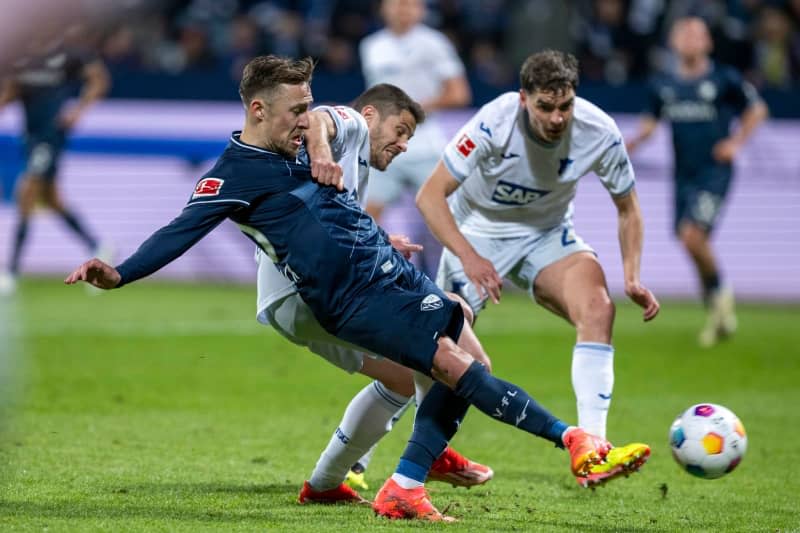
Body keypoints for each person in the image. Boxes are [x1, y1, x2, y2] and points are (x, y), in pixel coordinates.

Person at [65, 55, 650, 521]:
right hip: (323, 297)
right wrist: (119, 275)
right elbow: (180, 230)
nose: (307, 117)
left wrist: (373, 233)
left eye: (309, 107)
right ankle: (554, 442)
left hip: (369, 274)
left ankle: (347, 480)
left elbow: (327, 207)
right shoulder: (277, 154)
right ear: (260, 108)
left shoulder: (300, 143)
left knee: (451, 353)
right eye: (296, 110)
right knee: (449, 366)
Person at [415, 49, 660, 488]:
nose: (556, 118)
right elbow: (431, 197)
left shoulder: (599, 131)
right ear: (523, 99)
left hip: (548, 234)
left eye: (564, 106)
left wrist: (633, 275)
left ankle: (594, 452)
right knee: (437, 352)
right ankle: (383, 455)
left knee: (599, 309)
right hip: (478, 231)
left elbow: (629, 208)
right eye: (545, 107)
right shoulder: (493, 123)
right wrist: (470, 257)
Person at [255, 83, 493, 505]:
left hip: (295, 300)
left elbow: (328, 223)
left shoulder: (357, 164)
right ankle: (429, 451)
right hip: (310, 294)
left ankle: (324, 485)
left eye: (409, 138)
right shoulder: (349, 127)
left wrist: (380, 240)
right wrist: (323, 151)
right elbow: (318, 119)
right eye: (400, 131)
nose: (403, 145)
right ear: (369, 116)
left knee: (404, 379)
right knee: (447, 327)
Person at [626, 17, 768, 347]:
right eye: (684, 34)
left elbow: (757, 109)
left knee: (692, 235)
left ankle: (721, 300)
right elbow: (651, 122)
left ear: (708, 43)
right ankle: (716, 306)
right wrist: (631, 143)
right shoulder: (664, 85)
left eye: (697, 35)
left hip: (714, 171)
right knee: (686, 237)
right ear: (674, 42)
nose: (691, 40)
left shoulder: (723, 79)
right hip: (683, 174)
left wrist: (736, 143)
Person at [359, 0, 471, 276]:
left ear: (421, 9)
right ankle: (363, 278)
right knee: (366, 216)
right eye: (397, 4)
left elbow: (459, 93)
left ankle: (449, 279)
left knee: (441, 219)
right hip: (382, 147)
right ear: (383, 8)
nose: (403, 9)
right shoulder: (371, 46)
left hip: (425, 146)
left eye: (410, 4)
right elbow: (375, 98)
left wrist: (409, 113)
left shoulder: (434, 44)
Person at [0, 40, 111, 294]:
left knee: (26, 192)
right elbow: (11, 92)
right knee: (52, 200)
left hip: (51, 136)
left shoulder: (67, 53)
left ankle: (11, 272)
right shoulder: (21, 56)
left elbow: (99, 79)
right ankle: (99, 246)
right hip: (30, 138)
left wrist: (78, 110)